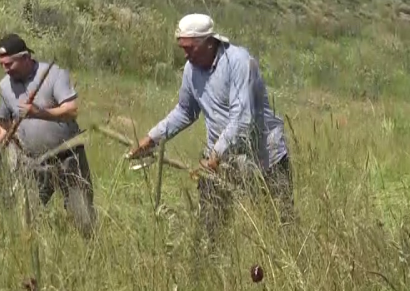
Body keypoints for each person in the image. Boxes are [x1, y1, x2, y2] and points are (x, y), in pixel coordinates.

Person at [125, 14, 293, 241]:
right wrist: (151, 139)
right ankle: (208, 266)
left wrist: (215, 154)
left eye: (190, 48)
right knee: (210, 229)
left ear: (209, 42)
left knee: (280, 226)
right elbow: (186, 111)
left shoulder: (240, 62)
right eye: (182, 48)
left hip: (264, 157)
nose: (185, 54)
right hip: (220, 160)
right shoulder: (191, 70)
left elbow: (243, 118)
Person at [0, 33, 95, 237]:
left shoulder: (53, 75)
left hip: (68, 158)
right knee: (28, 222)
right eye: (1, 64)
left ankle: (90, 255)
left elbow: (71, 110)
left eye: (9, 64)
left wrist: (39, 113)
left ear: (24, 57)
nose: (5, 69)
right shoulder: (5, 86)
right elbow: (4, 125)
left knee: (83, 218)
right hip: (34, 163)